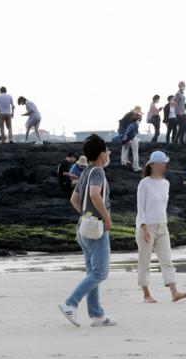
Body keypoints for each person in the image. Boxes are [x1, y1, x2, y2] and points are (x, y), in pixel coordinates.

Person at [59, 134, 116, 328]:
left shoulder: (84, 172)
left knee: (92, 272)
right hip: (96, 230)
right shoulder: (98, 172)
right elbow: (94, 193)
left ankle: (96, 315)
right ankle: (70, 303)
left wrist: (86, 215)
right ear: (101, 154)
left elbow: (74, 200)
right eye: (107, 151)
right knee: (100, 273)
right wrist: (105, 218)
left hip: (83, 228)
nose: (109, 154)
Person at [136, 151, 186, 303]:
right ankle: (146, 294)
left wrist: (163, 223)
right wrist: (144, 228)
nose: (163, 165)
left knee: (167, 260)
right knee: (144, 262)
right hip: (146, 227)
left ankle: (174, 292)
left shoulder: (166, 183)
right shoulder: (144, 183)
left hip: (162, 226)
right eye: (161, 163)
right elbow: (140, 208)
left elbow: (162, 207)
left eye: (164, 163)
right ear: (152, 164)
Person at [118, 106, 142, 172]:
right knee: (135, 153)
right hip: (131, 137)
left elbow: (122, 124)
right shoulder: (133, 119)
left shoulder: (128, 115)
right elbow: (134, 130)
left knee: (124, 149)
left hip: (125, 136)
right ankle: (135, 167)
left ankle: (123, 163)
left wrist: (123, 135)